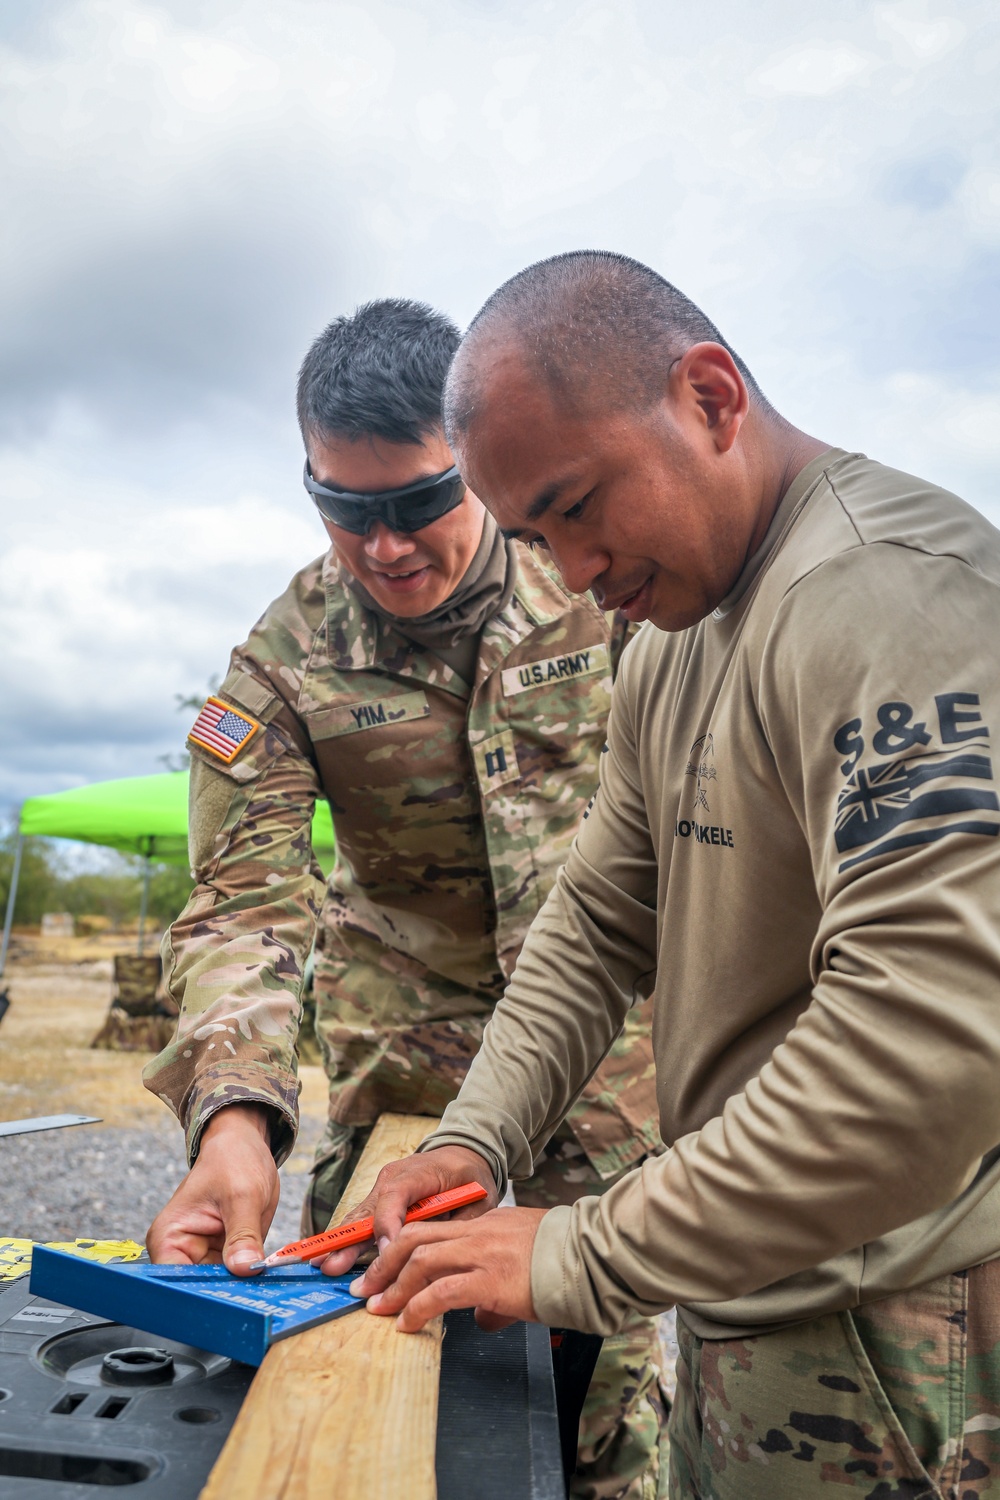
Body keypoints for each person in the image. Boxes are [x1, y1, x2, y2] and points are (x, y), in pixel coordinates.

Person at [333, 254, 1000, 1499]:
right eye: (536, 536)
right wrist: (477, 1138)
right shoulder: (673, 638)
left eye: (577, 506)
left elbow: (929, 1050)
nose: (574, 571)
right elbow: (592, 926)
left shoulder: (885, 599)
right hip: (756, 1297)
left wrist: (582, 1249)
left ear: (708, 398)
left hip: (904, 1337)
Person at [143, 298, 668, 1499]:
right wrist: (233, 1117)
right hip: (409, 1106)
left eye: (417, 502)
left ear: (474, 467)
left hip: (609, 1090)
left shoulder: (599, 582)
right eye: (345, 507)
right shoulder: (282, 660)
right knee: (380, 1398)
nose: (382, 545)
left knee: (602, 1414)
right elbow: (240, 906)